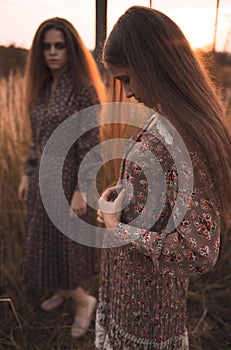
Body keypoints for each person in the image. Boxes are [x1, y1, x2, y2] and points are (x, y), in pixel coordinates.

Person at [95, 6, 231, 350]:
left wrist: (118, 228)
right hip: (129, 293)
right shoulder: (163, 116)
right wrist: (125, 191)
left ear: (152, 65)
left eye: (126, 78)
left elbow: (198, 253)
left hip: (149, 311)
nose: (126, 92)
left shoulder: (186, 138)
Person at [18, 17, 106, 338]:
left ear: (71, 50)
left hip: (69, 178)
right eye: (46, 47)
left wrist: (82, 190)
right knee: (46, 239)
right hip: (43, 177)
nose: (52, 53)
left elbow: (92, 144)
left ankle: (83, 300)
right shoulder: (41, 89)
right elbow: (35, 139)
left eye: (60, 46)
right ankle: (63, 290)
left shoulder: (82, 90)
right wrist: (27, 175)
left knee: (68, 244)